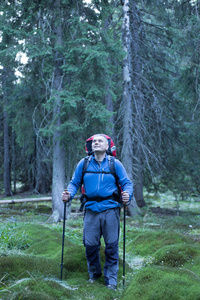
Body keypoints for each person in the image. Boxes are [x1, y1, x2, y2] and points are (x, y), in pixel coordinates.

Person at [62, 134, 133, 290]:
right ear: (91, 146)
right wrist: (69, 194)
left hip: (110, 209)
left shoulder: (115, 164)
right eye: (94, 141)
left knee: (112, 245)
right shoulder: (84, 163)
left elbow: (126, 183)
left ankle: (111, 281)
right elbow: (74, 183)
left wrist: (128, 194)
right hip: (91, 209)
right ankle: (94, 274)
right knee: (90, 245)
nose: (96, 143)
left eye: (100, 141)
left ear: (107, 146)